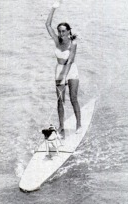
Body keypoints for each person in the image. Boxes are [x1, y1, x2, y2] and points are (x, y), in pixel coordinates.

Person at [45, 1, 81, 135]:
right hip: (59, 70)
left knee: (73, 98)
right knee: (60, 100)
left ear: (68, 31)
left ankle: (78, 125)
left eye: (63, 31)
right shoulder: (56, 40)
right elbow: (47, 25)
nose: (61, 33)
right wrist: (53, 8)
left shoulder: (73, 43)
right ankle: (61, 126)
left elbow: (70, 61)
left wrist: (64, 76)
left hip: (71, 70)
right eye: (59, 31)